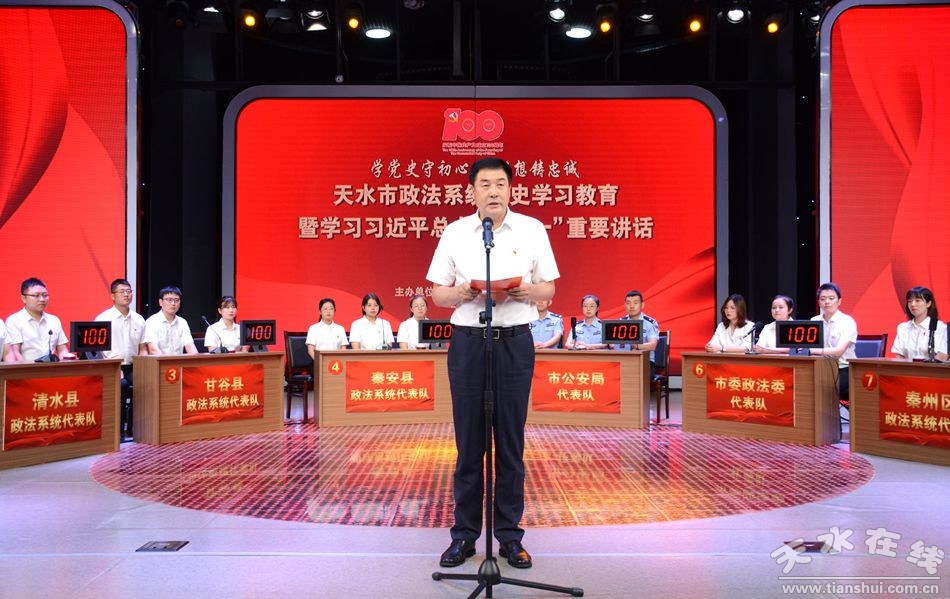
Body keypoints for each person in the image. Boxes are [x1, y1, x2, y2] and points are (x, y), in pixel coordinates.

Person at [427, 157, 558, 570]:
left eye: (500, 183)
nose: (493, 191)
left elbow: (549, 288)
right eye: (485, 184)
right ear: (472, 192)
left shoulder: (532, 230)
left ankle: (510, 537)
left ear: (511, 189)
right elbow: (437, 293)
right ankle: (464, 536)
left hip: (515, 342)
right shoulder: (455, 232)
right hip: (468, 343)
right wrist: (460, 293)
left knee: (511, 443)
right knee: (469, 444)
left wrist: (527, 291)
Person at [95, 278, 147, 440]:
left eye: (129, 291)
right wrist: (113, 368)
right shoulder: (103, 319)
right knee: (122, 385)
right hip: (111, 367)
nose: (126, 295)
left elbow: (142, 349)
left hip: (132, 366)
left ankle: (136, 429)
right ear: (113, 296)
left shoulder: (139, 319)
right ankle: (118, 431)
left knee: (146, 382)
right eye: (122, 291)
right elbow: (98, 351)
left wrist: (145, 369)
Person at [4, 277, 75, 362]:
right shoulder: (14, 321)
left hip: (52, 369)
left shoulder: (54, 321)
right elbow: (15, 353)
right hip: (27, 369)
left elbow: (62, 349)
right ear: (24, 298)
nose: (42, 299)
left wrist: (67, 360)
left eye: (45, 295)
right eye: (36, 296)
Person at [809, 282, 857, 399]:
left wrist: (812, 351)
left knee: (822, 389)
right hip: (819, 368)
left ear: (839, 301)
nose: (827, 302)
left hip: (843, 369)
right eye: (823, 299)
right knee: (802, 384)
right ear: (819, 302)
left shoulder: (847, 321)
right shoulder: (814, 321)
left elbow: (838, 351)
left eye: (831, 298)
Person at [891, 286, 949, 361]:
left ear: (928, 303)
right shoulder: (903, 328)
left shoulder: (941, 328)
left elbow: (942, 358)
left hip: (932, 368)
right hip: (907, 368)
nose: (913, 304)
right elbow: (899, 356)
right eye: (910, 301)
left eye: (917, 301)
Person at [143, 286, 199, 356]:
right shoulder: (151, 322)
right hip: (158, 362)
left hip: (178, 362)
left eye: (176, 300)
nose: (173, 303)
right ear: (160, 302)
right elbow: (153, 349)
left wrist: (197, 359)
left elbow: (190, 346)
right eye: (169, 300)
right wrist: (167, 362)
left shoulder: (182, 322)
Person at [612, 290, 660, 369]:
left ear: (642, 305)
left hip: (645, 361)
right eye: (628, 303)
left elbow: (652, 345)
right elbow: (612, 344)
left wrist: (633, 346)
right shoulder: (620, 322)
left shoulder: (650, 322)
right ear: (625, 305)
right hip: (624, 360)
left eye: (635, 303)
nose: (631, 306)